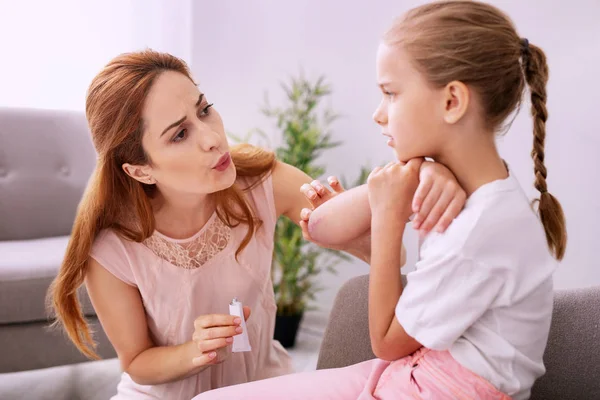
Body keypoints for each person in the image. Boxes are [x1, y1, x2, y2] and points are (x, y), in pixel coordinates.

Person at [194, 1, 567, 399]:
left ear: (452, 102)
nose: (378, 114)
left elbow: (386, 342)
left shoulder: (482, 229)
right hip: (414, 374)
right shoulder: (454, 185)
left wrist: (388, 218)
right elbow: (319, 225)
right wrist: (422, 170)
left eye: (391, 93)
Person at [47, 50, 465, 399]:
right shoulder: (111, 248)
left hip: (266, 386)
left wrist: (424, 176)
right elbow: (137, 362)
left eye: (205, 110)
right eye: (179, 134)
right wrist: (196, 350)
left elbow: (389, 253)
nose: (212, 137)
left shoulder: (263, 182)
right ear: (140, 171)